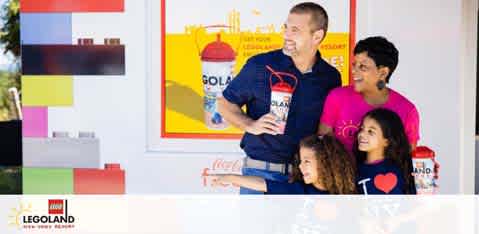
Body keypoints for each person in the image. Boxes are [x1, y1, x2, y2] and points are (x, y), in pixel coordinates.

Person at [218, 2, 341, 194]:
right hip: (259, 173)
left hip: (305, 178)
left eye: (295, 30)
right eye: (286, 28)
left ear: (317, 36)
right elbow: (224, 103)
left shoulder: (330, 77)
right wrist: (250, 125)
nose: (286, 35)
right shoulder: (260, 65)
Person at [319, 36, 419, 153]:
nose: (354, 71)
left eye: (363, 67)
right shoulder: (336, 97)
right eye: (354, 64)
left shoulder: (407, 111)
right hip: (340, 171)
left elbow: (408, 159)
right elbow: (323, 148)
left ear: (383, 72)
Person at [210, 135, 356, 194]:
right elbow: (262, 183)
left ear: (326, 161)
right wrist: (228, 177)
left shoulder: (345, 198)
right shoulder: (299, 190)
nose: (300, 166)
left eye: (307, 161)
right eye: (300, 162)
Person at [354, 108, 416, 194]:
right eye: (361, 129)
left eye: (370, 131)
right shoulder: (354, 169)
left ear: (387, 141)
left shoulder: (402, 169)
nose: (361, 134)